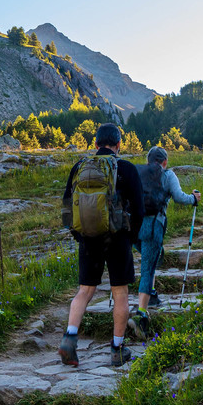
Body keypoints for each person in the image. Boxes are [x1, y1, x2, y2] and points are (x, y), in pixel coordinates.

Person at [59, 123, 143, 368]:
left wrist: (80, 235)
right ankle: (117, 349)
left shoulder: (79, 167)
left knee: (84, 290)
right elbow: (139, 210)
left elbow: (67, 206)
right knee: (120, 293)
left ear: (95, 144)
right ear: (118, 145)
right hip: (118, 238)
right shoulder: (126, 168)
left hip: (88, 237)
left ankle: (69, 340)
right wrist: (131, 238)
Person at [133, 145, 199, 329]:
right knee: (147, 267)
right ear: (165, 162)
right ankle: (141, 315)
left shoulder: (137, 173)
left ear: (148, 161)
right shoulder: (168, 175)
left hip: (134, 225)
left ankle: (152, 294)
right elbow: (178, 197)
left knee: (150, 258)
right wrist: (193, 199)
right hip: (154, 225)